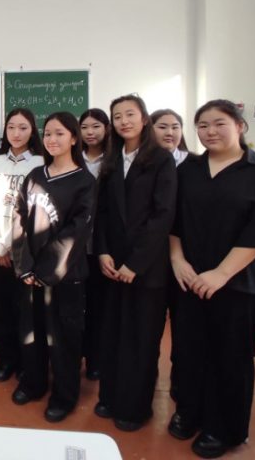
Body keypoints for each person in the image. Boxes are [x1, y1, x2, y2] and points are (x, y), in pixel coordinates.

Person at [168, 100, 255, 459]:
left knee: (229, 358)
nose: (210, 131)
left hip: (238, 284)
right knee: (188, 352)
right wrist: (177, 260)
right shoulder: (188, 170)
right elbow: (173, 221)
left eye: (219, 123)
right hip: (189, 280)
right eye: (202, 125)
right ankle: (189, 412)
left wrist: (220, 274)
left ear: (240, 126)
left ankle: (224, 429)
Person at [94, 94, 177, 432]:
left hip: (147, 270)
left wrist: (136, 264)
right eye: (117, 116)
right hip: (112, 266)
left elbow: (163, 216)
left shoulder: (161, 159)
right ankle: (110, 396)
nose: (124, 121)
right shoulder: (112, 159)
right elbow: (101, 212)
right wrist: (102, 252)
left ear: (144, 119)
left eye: (130, 114)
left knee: (141, 340)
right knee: (112, 335)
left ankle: (135, 407)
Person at [11, 112, 95, 423]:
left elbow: (76, 232)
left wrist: (45, 271)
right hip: (31, 274)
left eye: (60, 133)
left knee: (63, 339)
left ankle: (64, 395)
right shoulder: (35, 175)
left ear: (73, 138)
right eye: (47, 133)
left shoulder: (85, 182)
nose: (52, 139)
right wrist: (25, 266)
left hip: (64, 276)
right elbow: (18, 218)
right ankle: (33, 383)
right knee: (31, 333)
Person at [0, 108, 44, 382]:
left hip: (23, 251)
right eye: (12, 127)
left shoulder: (40, 162)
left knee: (24, 309)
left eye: (23, 127)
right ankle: (7, 357)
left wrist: (7, 246)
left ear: (33, 130)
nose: (16, 133)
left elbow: (35, 212)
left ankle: (26, 360)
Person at [151, 107, 191, 400]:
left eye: (175, 126)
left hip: (186, 259)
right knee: (150, 325)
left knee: (184, 325)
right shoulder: (142, 163)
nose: (169, 132)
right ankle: (146, 376)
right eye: (162, 126)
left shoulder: (194, 165)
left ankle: (181, 382)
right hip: (151, 257)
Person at [78, 108, 110, 381]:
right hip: (74, 248)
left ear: (106, 129)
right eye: (85, 127)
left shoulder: (114, 160)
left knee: (98, 307)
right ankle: (75, 354)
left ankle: (96, 358)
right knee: (75, 306)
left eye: (96, 126)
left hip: (101, 248)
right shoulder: (73, 159)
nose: (90, 132)